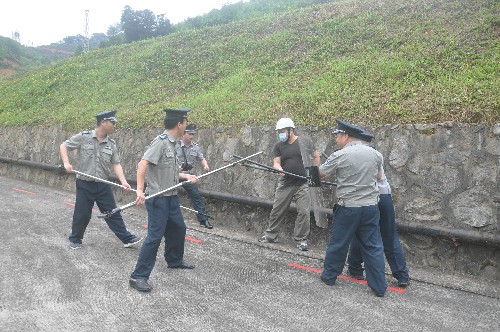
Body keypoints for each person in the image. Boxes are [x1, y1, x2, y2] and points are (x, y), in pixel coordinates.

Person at [129, 107, 199, 292]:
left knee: (178, 228)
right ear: (179, 124)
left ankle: (174, 260)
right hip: (158, 198)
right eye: (185, 122)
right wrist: (140, 190)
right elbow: (142, 164)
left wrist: (186, 177)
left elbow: (171, 170)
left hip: (171, 197)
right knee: (155, 237)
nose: (187, 125)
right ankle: (138, 276)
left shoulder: (174, 143)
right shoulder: (160, 143)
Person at [318, 119, 387, 297]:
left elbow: (321, 174)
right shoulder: (375, 154)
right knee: (373, 246)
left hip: (348, 207)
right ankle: (379, 287)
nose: (336, 139)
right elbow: (379, 177)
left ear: (346, 136)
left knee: (339, 243)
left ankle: (329, 277)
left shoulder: (340, 155)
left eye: (338, 136)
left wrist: (315, 163)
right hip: (371, 207)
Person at [60, 110, 142, 250]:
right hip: (85, 183)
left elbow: (116, 163)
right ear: (103, 122)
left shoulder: (111, 143)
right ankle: (75, 239)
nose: (115, 126)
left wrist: (123, 181)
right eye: (112, 123)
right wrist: (66, 163)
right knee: (82, 213)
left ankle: (126, 239)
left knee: (113, 212)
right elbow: (64, 146)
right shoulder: (84, 137)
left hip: (103, 184)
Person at [346, 129, 410, 288]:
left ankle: (355, 268)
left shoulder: (357, 154)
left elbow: (375, 176)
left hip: (369, 197)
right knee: (390, 235)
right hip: (385, 196)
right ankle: (401, 275)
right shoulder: (375, 153)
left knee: (360, 232)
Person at [258, 117, 320, 251]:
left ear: (291, 130)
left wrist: (313, 174)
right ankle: (270, 235)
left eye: (282, 131)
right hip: (286, 183)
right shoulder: (278, 146)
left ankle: (301, 239)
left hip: (303, 183)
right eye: (278, 131)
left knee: (304, 211)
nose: (280, 133)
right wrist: (278, 168)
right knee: (277, 210)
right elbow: (276, 162)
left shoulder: (305, 142)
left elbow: (316, 156)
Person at [176, 123, 213, 229]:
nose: (192, 136)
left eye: (193, 134)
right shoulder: (175, 145)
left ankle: (203, 220)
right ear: (183, 134)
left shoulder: (195, 147)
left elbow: (201, 158)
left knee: (196, 196)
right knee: (170, 196)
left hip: (189, 175)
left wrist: (205, 166)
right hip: (175, 174)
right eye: (189, 134)